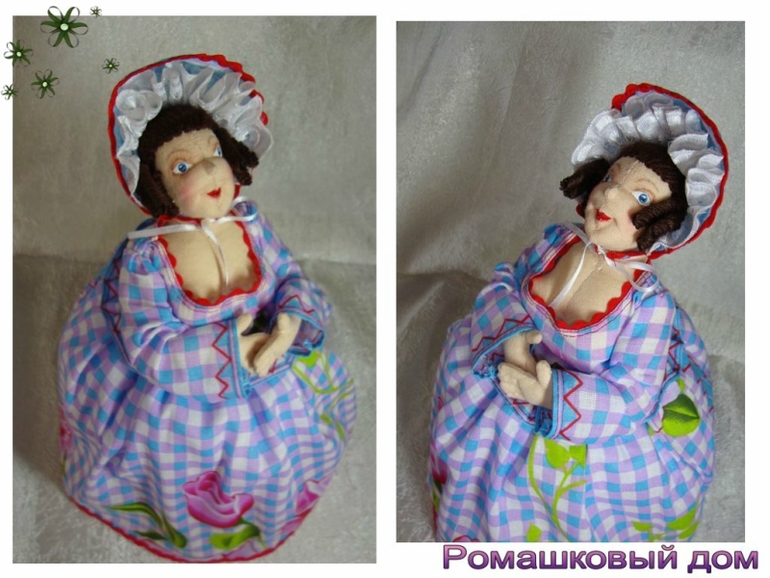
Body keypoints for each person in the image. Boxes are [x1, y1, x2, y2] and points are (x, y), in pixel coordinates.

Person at [58, 54, 355, 562]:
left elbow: (288, 275)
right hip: (180, 388)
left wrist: (288, 324)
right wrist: (230, 351)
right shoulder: (149, 257)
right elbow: (147, 340)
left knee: (284, 443)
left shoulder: (250, 223)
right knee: (171, 456)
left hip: (272, 363)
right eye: (182, 166)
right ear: (155, 184)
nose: (211, 168)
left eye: (214, 151)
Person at [429, 83, 727, 542]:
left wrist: (551, 393)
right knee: (473, 437)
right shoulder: (558, 242)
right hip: (508, 369)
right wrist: (513, 339)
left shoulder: (646, 306)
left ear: (666, 222)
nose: (609, 197)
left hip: (585, 414)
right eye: (610, 178)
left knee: (569, 497)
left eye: (640, 198)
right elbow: (507, 282)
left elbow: (633, 395)